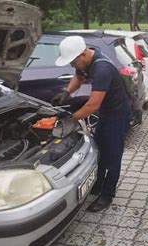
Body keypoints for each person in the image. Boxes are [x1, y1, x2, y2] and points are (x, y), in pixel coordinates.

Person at [53, 36, 130, 212]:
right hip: (105, 113)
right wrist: (66, 92)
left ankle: (107, 195)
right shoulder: (86, 61)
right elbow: (78, 78)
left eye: (73, 62)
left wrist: (71, 119)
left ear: (82, 55)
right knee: (99, 148)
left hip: (117, 115)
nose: (72, 66)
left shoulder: (102, 68)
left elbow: (92, 105)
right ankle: (98, 183)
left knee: (113, 155)